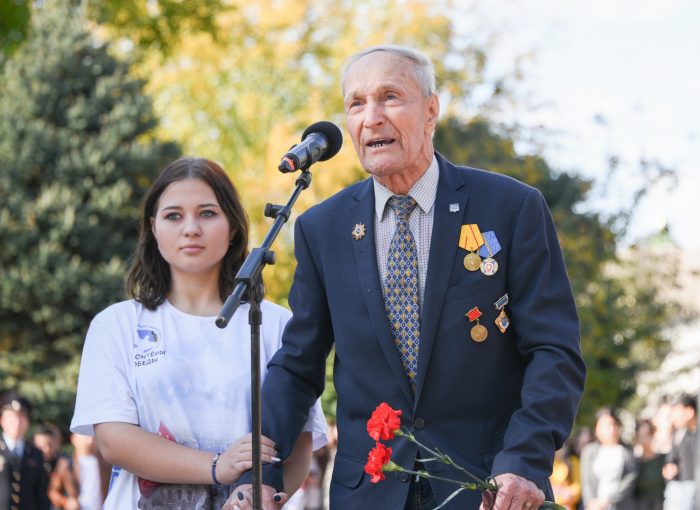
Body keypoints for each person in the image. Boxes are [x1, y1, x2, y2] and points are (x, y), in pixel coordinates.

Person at [228, 45, 586, 510]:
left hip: (489, 489)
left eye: (390, 97)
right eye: (356, 103)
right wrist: (261, 475)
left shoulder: (511, 208)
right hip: (369, 493)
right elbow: (297, 366)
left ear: (431, 111)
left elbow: (554, 350)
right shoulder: (322, 229)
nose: (371, 117)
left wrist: (524, 458)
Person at [70, 157, 327, 509]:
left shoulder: (276, 324)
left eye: (207, 213)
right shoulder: (116, 325)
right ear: (153, 228)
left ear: (233, 227)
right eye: (173, 215)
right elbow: (114, 440)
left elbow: (299, 443)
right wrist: (216, 466)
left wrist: (259, 494)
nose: (190, 228)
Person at [0, 392, 51, 510]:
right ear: (2, 420)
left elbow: (41, 496)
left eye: (21, 417)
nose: (17, 423)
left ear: (28, 421)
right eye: (12, 417)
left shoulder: (36, 454)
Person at [580, 407, 637, 510]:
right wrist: (591, 503)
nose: (610, 429)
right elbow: (586, 481)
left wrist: (608, 500)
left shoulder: (626, 451)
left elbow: (630, 478)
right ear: (597, 429)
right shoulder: (589, 451)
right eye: (605, 425)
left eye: (613, 424)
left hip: (619, 505)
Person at [33, 424, 80, 509]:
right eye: (41, 446)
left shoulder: (64, 464)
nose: (45, 449)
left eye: (49, 445)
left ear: (56, 443)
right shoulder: (31, 465)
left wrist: (65, 501)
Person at [662, 394, 696, 510]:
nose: (673, 417)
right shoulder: (679, 434)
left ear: (690, 412)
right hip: (678, 490)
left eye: (677, 412)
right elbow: (672, 458)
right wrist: (669, 467)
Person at [633, 418, 665, 510]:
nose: (645, 439)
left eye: (648, 434)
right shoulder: (634, 462)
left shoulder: (663, 459)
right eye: (642, 436)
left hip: (661, 505)